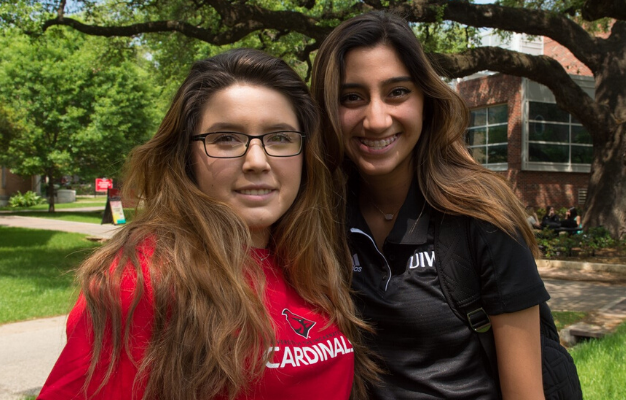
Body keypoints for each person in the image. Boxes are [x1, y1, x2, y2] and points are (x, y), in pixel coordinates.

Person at [39, 49, 376, 400]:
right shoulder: (142, 277)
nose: (257, 161)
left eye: (280, 137)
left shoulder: (313, 260)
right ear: (186, 156)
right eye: (226, 138)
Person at [311, 11, 574, 399]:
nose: (376, 119)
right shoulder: (315, 215)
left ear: (426, 100)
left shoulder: (481, 215)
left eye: (397, 92)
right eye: (352, 97)